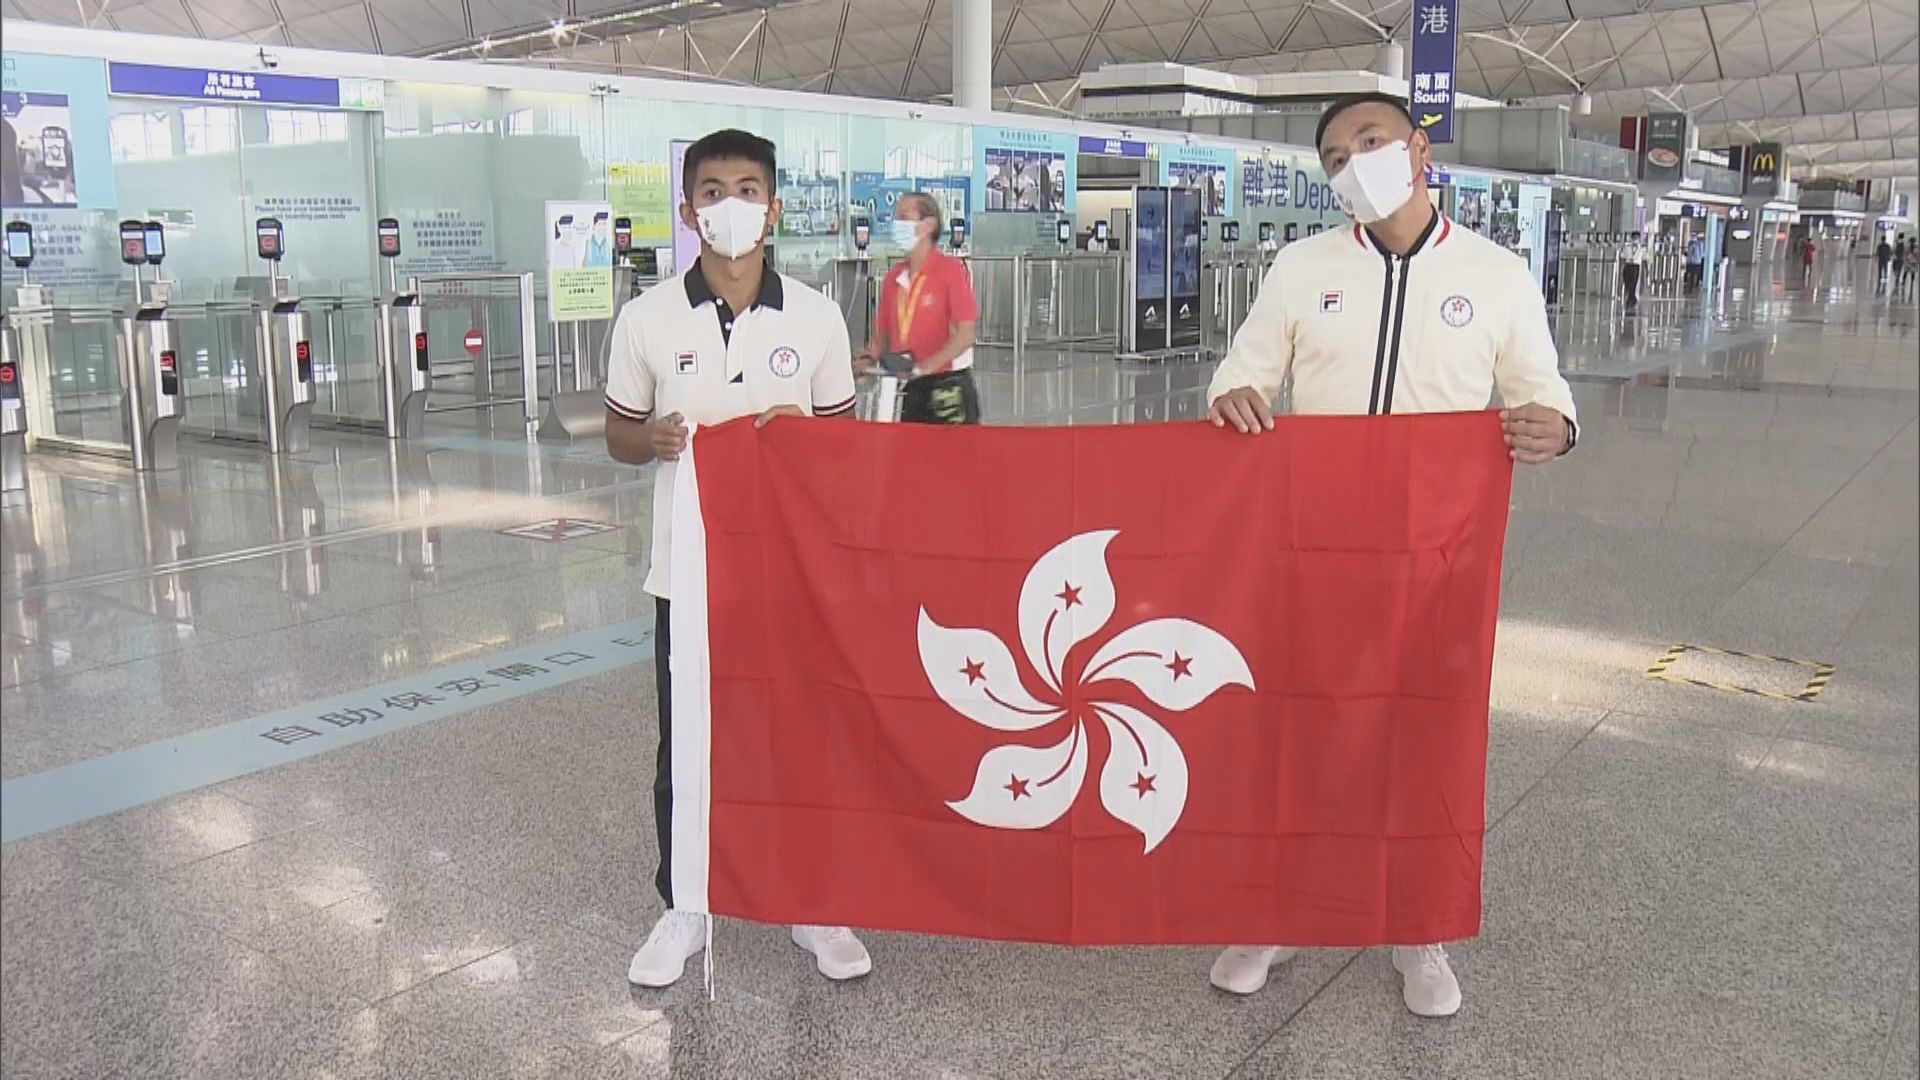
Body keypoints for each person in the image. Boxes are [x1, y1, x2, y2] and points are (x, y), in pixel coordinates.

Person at [1205, 91, 1577, 1020]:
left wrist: (1558, 426)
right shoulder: (1301, 269)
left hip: (1435, 559)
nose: (1352, 164)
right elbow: (1241, 371)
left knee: (1422, 740)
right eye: (1334, 155)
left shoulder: (1496, 275)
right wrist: (1236, 396)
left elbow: (1544, 390)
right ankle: (1278, 909)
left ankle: (1419, 927)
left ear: (1417, 146)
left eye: (1368, 142)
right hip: (1317, 549)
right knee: (1303, 730)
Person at [604, 128, 869, 989]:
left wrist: (804, 443)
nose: (731, 207)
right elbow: (616, 431)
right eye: (713, 192)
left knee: (802, 736)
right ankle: (685, 905)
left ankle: (814, 900)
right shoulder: (646, 318)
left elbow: (845, 443)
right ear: (688, 212)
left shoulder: (817, 315)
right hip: (686, 573)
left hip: (792, 576)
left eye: (748, 190)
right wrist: (650, 438)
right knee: (687, 743)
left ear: (775, 209)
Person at [856, 192, 981, 424]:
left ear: (928, 225)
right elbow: (882, 339)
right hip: (909, 388)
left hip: (948, 388)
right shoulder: (894, 278)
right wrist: (866, 361)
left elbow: (966, 334)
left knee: (954, 458)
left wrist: (927, 366)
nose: (896, 224)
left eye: (904, 217)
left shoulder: (950, 271)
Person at [1620, 231, 1645, 314]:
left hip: (1635, 265)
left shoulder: (1641, 247)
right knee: (1627, 282)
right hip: (1628, 265)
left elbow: (1644, 258)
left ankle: (1631, 300)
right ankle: (1632, 298)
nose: (1635, 239)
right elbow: (1622, 256)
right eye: (1634, 237)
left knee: (1633, 283)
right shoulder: (1627, 246)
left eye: (1637, 237)